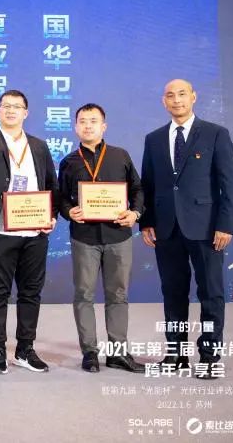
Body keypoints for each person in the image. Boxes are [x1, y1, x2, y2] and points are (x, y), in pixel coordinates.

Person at [140, 79, 233, 380]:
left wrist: (225, 224)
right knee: (172, 293)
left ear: (193, 97)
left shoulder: (215, 133)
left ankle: (209, 356)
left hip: (206, 228)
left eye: (182, 94)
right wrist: (146, 221)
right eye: (170, 95)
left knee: (211, 293)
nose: (177, 100)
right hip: (166, 229)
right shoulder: (154, 139)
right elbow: (148, 184)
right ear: (164, 101)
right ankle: (176, 354)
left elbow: (229, 183)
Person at [0, 90, 58, 374]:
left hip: (35, 229)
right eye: (5, 106)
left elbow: (51, 184)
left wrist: (52, 216)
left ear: (26, 112)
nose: (11, 110)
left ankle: (25, 349)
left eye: (17, 106)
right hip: (1, 229)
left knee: (31, 291)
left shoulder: (39, 146)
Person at [58, 103, 145, 374]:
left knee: (118, 295)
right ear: (75, 127)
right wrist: (69, 211)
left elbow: (138, 189)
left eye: (93, 121)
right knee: (83, 294)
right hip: (84, 238)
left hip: (119, 236)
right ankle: (90, 352)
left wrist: (135, 213)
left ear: (103, 126)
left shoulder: (120, 156)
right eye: (83, 121)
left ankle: (118, 353)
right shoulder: (69, 162)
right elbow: (61, 198)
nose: (88, 125)